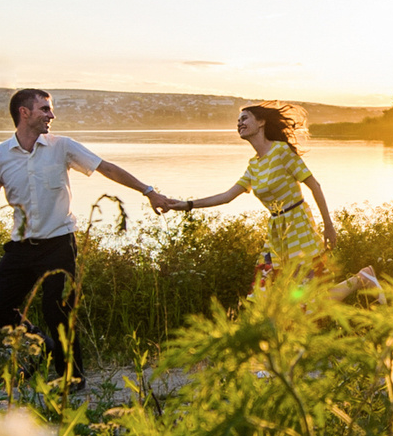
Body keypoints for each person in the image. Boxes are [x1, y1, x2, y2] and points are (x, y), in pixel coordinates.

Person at [0, 88, 170, 387]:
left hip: (59, 244)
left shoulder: (61, 146)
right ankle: (46, 348)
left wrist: (149, 191)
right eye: (44, 109)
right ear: (24, 113)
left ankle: (72, 377)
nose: (51, 115)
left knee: (60, 311)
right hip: (20, 248)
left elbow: (106, 168)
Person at [156, 102, 378, 300]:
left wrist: (328, 226)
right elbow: (226, 197)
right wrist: (187, 205)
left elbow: (314, 186)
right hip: (276, 232)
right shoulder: (254, 165)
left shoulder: (281, 152)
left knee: (308, 298)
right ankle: (363, 278)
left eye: (244, 118)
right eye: (237, 121)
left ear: (261, 122)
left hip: (299, 227)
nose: (239, 124)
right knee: (267, 294)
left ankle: (362, 279)